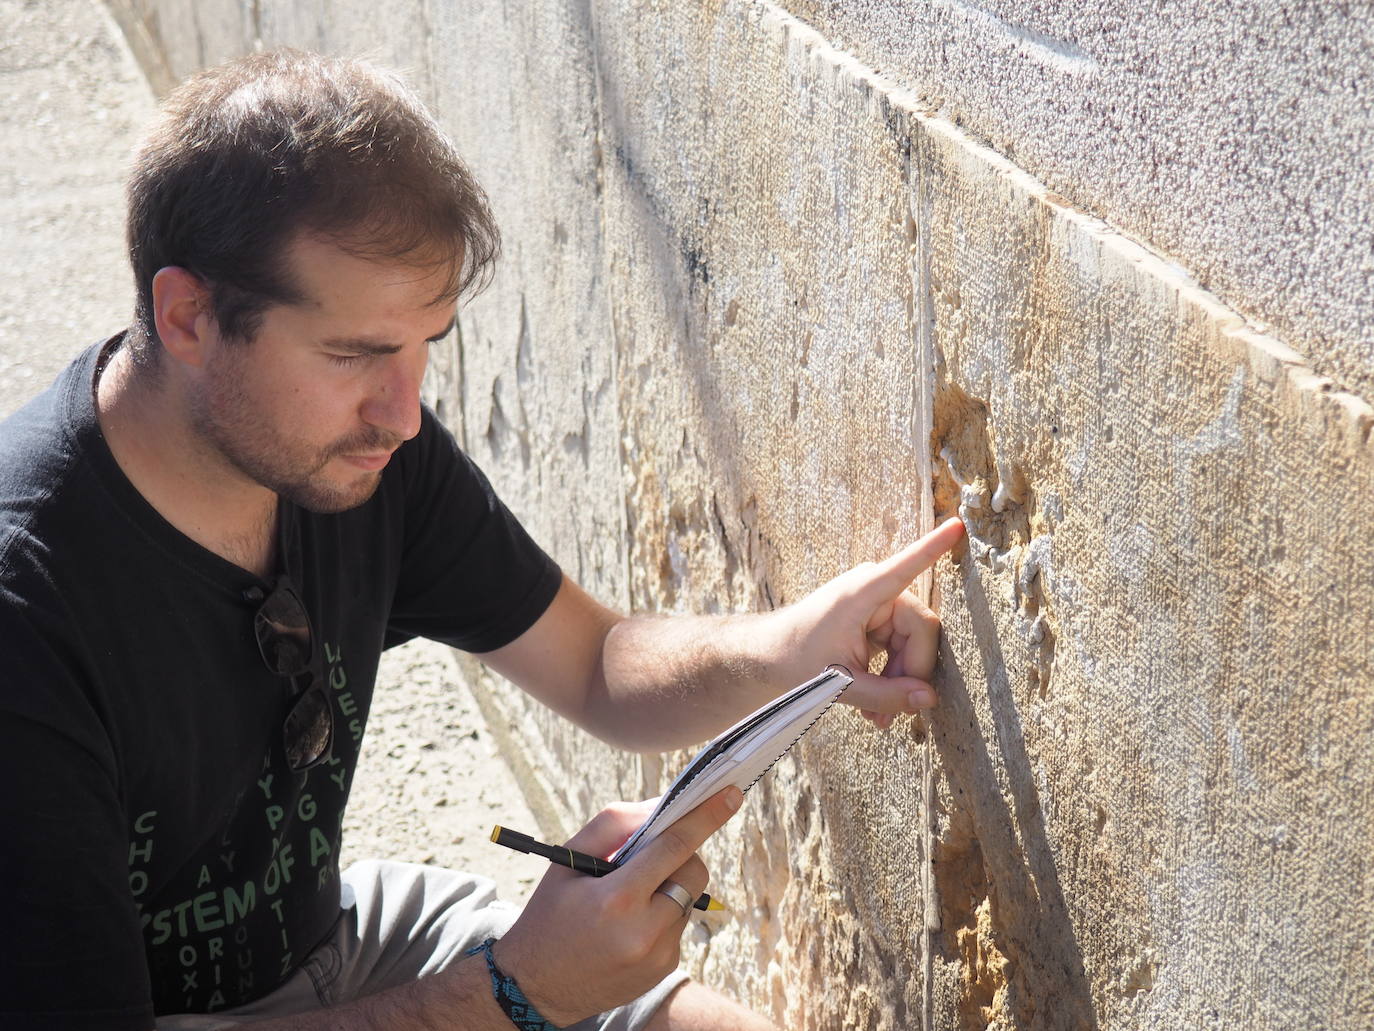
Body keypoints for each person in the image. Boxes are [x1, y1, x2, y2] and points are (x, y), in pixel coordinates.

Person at [0, 48, 965, 1031]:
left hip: (339, 944)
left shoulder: (358, 455)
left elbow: (594, 662)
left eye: (426, 347)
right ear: (189, 316)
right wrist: (519, 987)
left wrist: (791, 649)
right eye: (355, 354)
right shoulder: (26, 607)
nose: (402, 413)